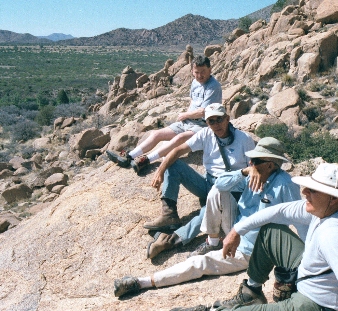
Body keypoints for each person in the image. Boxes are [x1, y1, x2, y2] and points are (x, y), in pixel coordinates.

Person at [112, 137, 301, 298]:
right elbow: (220, 184)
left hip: (251, 248)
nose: (251, 163)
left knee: (200, 263)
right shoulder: (252, 174)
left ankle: (141, 282)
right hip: (234, 231)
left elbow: (299, 219)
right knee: (218, 192)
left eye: (255, 161)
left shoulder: (285, 185)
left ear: (270, 164)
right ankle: (212, 240)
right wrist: (244, 171)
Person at [175, 163, 338, 311]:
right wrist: (237, 231)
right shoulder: (329, 209)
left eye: (312, 190)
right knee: (271, 230)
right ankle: (252, 291)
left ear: (333, 198)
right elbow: (277, 211)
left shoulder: (334, 233)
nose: (304, 192)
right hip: (316, 274)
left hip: (318, 302)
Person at [144, 103, 254, 256]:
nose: (216, 124)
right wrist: (160, 171)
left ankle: (172, 240)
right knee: (174, 164)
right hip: (208, 183)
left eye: (219, 119)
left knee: (206, 213)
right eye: (211, 121)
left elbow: (253, 169)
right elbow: (177, 150)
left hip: (230, 190)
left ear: (227, 118)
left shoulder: (244, 139)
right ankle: (169, 215)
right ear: (207, 123)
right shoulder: (206, 134)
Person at [106, 55, 222, 173]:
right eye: (196, 72)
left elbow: (204, 112)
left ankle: (146, 160)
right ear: (192, 71)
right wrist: (186, 116)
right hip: (188, 122)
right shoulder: (195, 83)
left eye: (203, 72)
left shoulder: (214, 86)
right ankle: (129, 156)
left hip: (205, 126)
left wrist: (186, 115)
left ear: (210, 69)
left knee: (179, 138)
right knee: (157, 134)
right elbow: (192, 102)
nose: (200, 75)